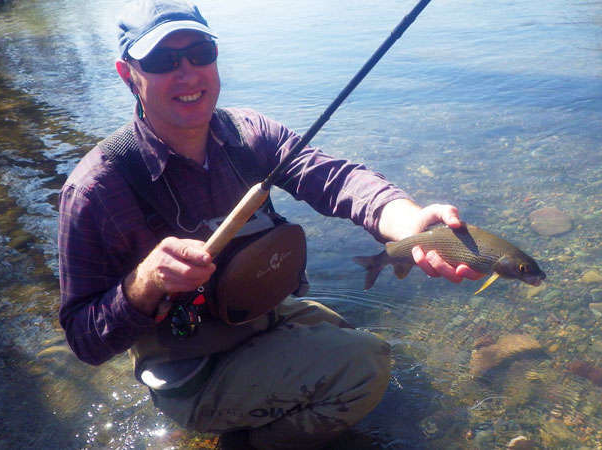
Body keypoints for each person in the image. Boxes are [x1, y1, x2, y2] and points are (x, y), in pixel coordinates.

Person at [58, 0, 482, 448]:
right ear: (128, 75)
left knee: (341, 333)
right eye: (164, 60)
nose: (188, 73)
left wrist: (411, 222)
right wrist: (143, 281)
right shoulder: (97, 188)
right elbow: (85, 340)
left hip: (253, 316)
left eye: (201, 53)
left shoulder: (248, 135)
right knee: (363, 364)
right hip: (188, 363)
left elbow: (335, 179)